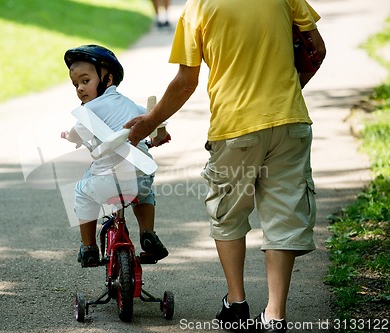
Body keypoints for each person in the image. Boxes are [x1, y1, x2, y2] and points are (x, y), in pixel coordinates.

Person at [124, 0, 326, 332]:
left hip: (235, 128)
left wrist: (149, 121)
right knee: (284, 216)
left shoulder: (198, 8)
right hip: (290, 122)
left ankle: (236, 304)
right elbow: (316, 50)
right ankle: (275, 315)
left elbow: (186, 82)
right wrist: (290, 89)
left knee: (228, 214)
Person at [61, 44, 169, 267]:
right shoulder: (132, 105)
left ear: (108, 80)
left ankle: (88, 247)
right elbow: (157, 126)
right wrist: (159, 138)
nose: (80, 88)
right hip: (139, 180)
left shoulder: (88, 111)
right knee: (146, 194)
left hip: (106, 181)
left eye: (85, 81)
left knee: (81, 193)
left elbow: (76, 134)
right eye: (76, 84)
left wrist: (70, 136)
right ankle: (148, 233)